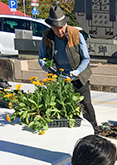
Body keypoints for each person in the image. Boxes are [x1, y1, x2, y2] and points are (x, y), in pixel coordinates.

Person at [38, 5, 99, 135]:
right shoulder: (47, 37)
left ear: (65, 24)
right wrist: (45, 65)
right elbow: (41, 57)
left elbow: (86, 58)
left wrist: (78, 71)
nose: (59, 31)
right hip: (60, 78)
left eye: (61, 28)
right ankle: (73, 134)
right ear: (51, 27)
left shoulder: (76, 35)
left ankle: (95, 132)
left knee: (86, 105)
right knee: (66, 106)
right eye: (56, 29)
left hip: (79, 77)